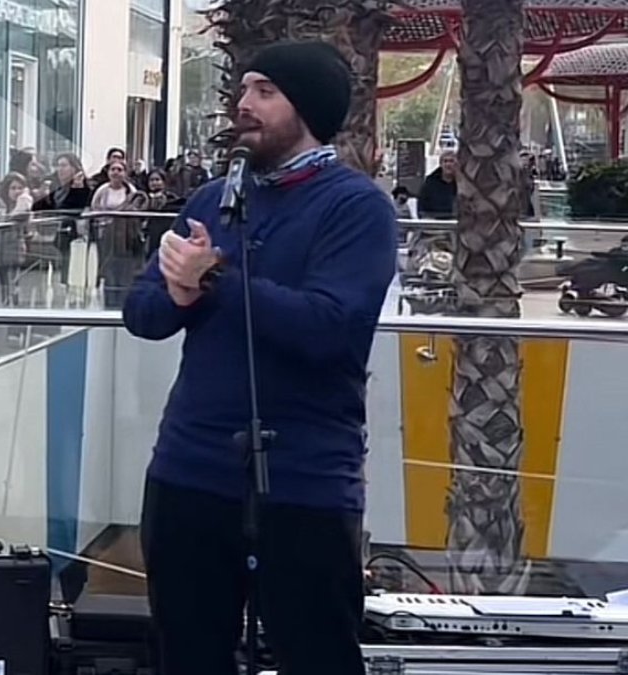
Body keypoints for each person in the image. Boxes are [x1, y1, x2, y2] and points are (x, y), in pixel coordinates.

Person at [122, 40, 397, 675]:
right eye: (242, 89)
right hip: (189, 473)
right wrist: (180, 290)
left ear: (309, 110)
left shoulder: (356, 208)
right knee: (185, 655)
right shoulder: (210, 201)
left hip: (302, 481)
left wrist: (214, 280)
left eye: (265, 92)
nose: (243, 104)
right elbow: (143, 315)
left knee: (318, 655)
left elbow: (329, 328)